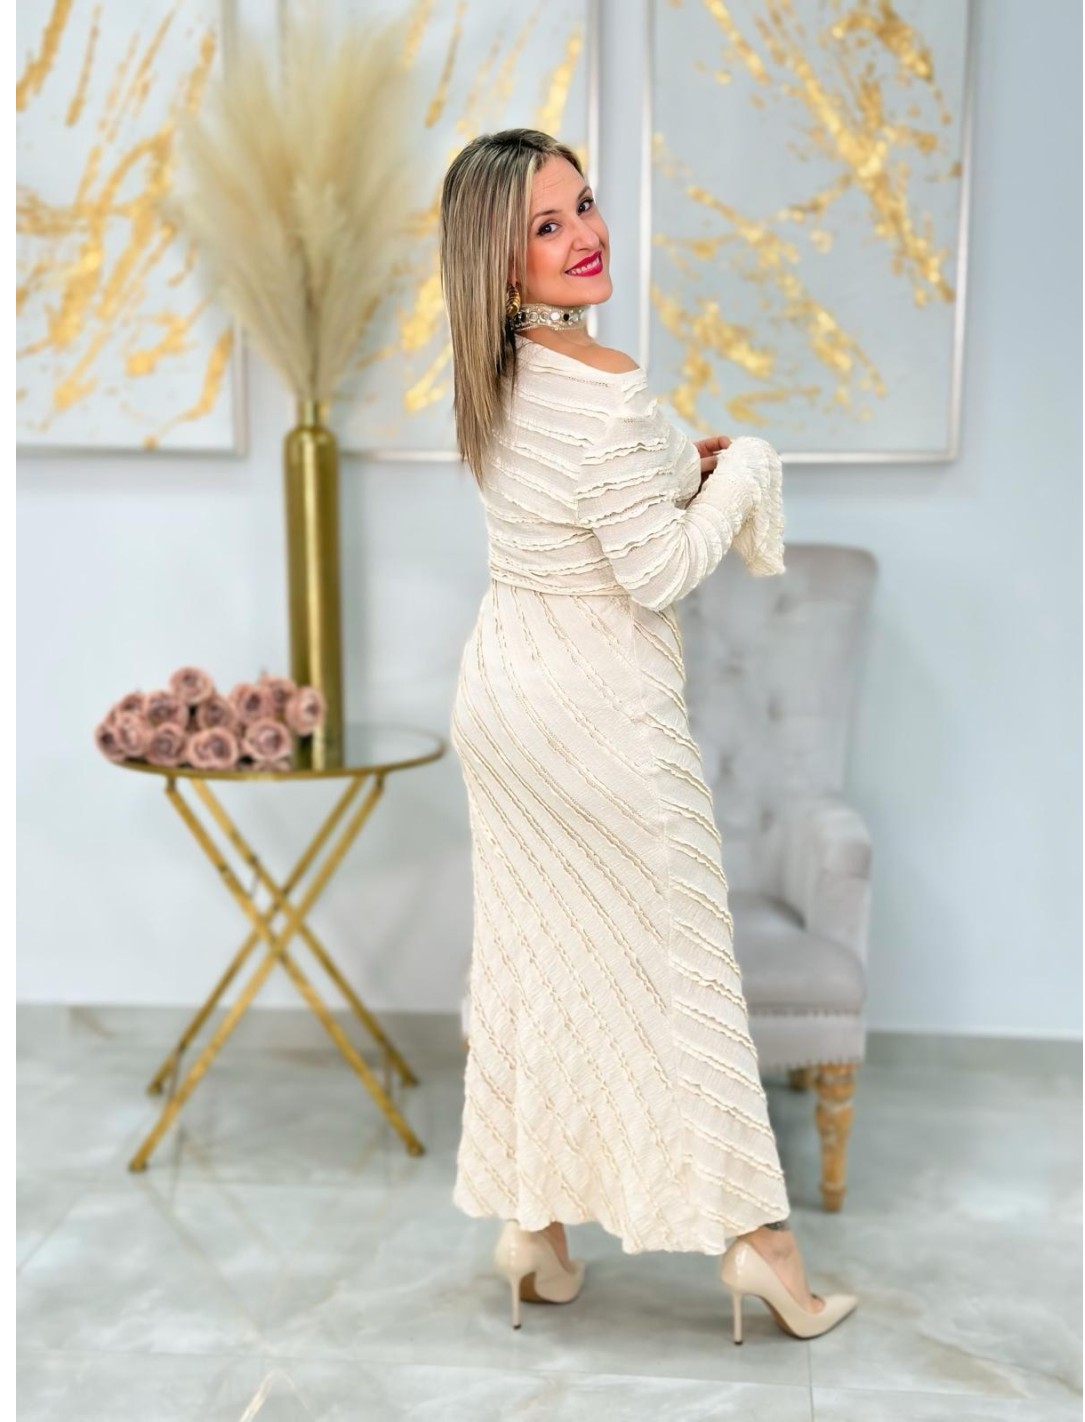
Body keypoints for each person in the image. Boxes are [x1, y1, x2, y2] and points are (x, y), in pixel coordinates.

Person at [438, 128, 857, 1345]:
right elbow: (658, 571)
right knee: (683, 972)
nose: (585, 235)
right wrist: (746, 468)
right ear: (501, 260)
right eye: (547, 226)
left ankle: (534, 1227)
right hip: (597, 709)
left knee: (535, 962)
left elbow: (582, 510)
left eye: (583, 204)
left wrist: (685, 465)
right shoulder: (604, 381)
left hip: (503, 698)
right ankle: (763, 1249)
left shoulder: (495, 378)